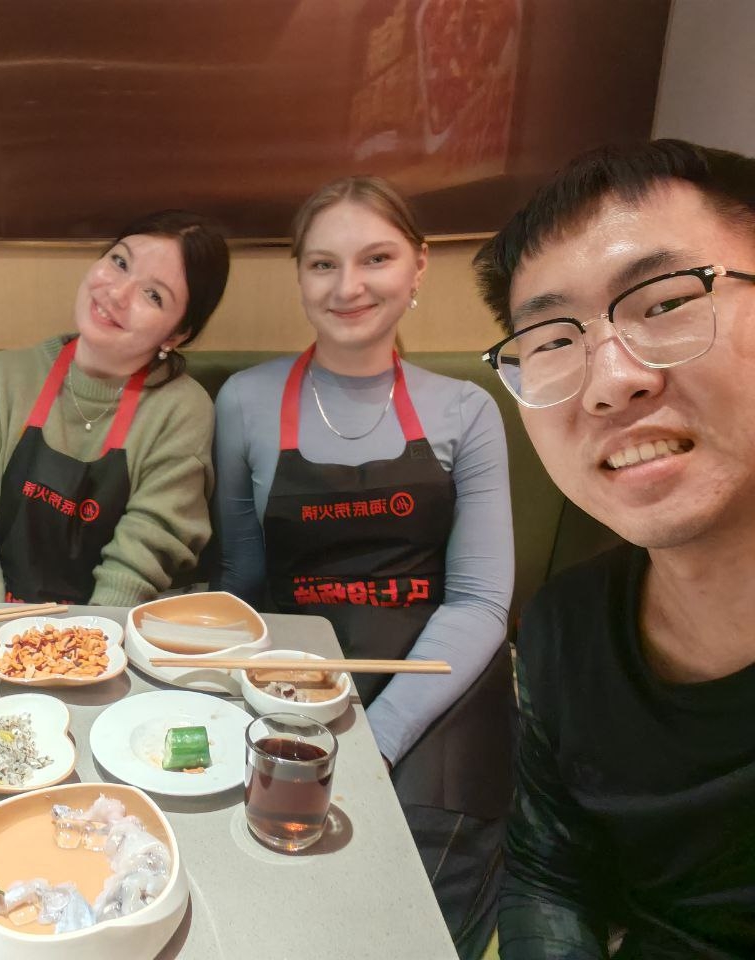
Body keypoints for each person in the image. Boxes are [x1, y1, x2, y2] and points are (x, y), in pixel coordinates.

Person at [213, 176, 515, 957]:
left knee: (403, 913)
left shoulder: (467, 409)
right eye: (323, 264)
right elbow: (243, 579)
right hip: (298, 686)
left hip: (439, 688)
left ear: (419, 266)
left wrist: (380, 736)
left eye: (375, 258)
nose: (347, 287)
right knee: (272, 894)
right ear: (300, 276)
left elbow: (481, 602)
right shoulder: (244, 402)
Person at [475, 139, 755, 959]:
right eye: (552, 342)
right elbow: (549, 878)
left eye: (664, 304)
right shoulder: (566, 630)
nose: (610, 380)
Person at [0, 210, 229, 605]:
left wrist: (87, 637)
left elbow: (141, 561)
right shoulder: (1, 379)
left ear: (176, 334)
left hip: (100, 630)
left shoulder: (181, 410)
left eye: (153, 295)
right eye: (119, 262)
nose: (117, 294)